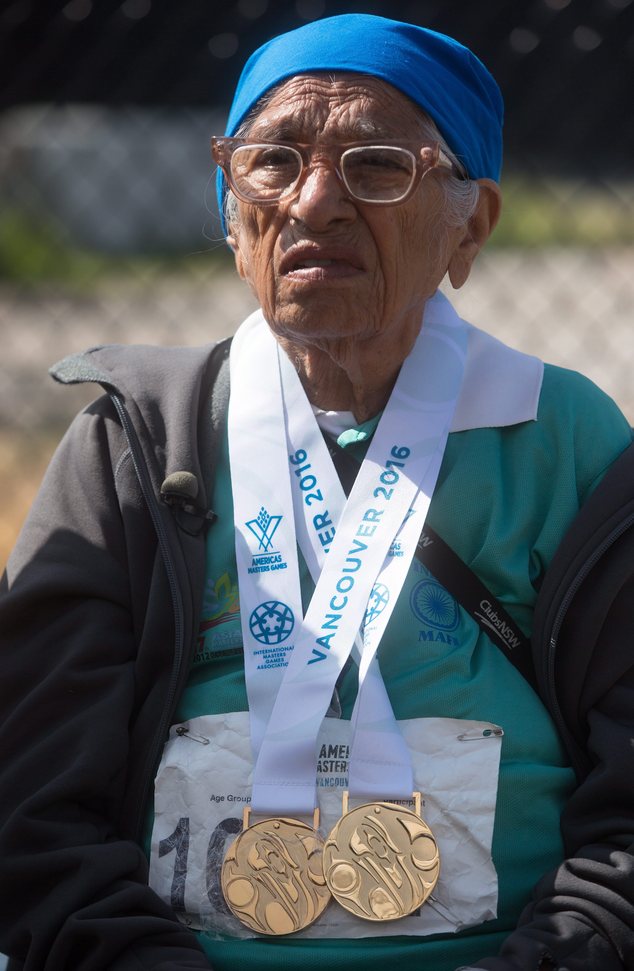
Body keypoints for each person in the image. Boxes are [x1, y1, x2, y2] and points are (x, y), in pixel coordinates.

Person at [0, 12, 633, 971]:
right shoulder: (134, 439)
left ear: (472, 227)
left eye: (378, 167)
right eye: (273, 162)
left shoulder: (568, 440)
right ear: (229, 212)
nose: (315, 203)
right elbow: (34, 805)